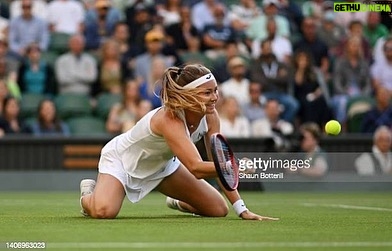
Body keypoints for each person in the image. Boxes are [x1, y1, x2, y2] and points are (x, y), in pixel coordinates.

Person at [79, 64, 278, 221]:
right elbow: (197, 168)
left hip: (163, 167)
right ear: (188, 95)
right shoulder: (169, 119)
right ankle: (88, 196)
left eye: (215, 91)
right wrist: (234, 166)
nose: (215, 98)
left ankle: (178, 200)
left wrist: (242, 209)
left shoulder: (211, 116)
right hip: (122, 161)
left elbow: (217, 161)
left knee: (218, 209)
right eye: (207, 93)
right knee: (104, 212)